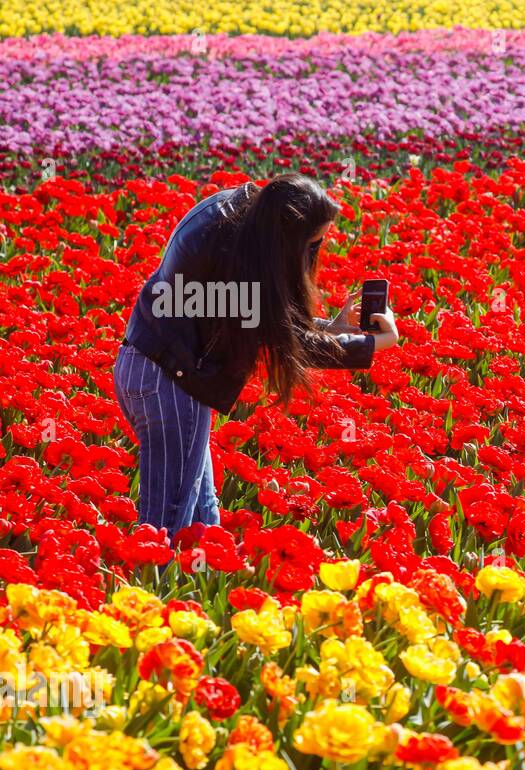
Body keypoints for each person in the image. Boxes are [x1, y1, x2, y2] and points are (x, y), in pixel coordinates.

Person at [113, 173, 400, 538]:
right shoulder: (232, 256)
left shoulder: (234, 216)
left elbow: (266, 318)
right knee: (167, 524)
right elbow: (281, 340)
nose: (312, 254)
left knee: (202, 512)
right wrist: (376, 344)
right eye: (311, 245)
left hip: (151, 368)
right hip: (167, 387)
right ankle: (150, 591)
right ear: (286, 234)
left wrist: (330, 327)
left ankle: (196, 583)